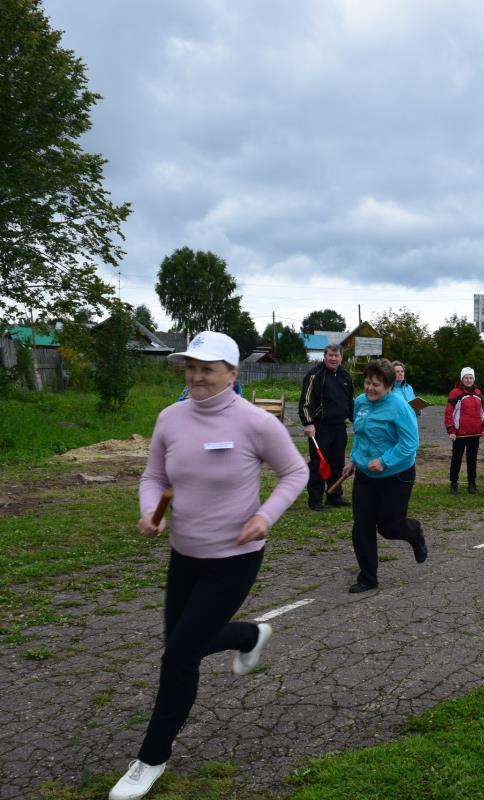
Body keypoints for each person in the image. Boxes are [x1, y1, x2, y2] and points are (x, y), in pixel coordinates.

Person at [109, 331, 306, 800]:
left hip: (234, 560)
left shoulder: (255, 423)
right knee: (183, 645)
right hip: (185, 555)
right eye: (190, 367)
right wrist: (148, 510)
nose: (196, 376)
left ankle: (151, 759)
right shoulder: (169, 419)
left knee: (178, 657)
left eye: (208, 368)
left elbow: (295, 472)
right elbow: (153, 475)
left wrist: (264, 515)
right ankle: (247, 634)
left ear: (232, 374)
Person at [341, 358, 428, 593]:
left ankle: (414, 533)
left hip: (397, 474)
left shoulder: (400, 407)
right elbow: (360, 435)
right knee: (362, 526)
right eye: (367, 382)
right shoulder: (360, 403)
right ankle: (368, 578)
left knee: (389, 527)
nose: (370, 388)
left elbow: (411, 443)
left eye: (376, 385)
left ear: (389, 386)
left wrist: (385, 460)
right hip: (366, 474)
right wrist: (353, 460)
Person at [299, 344, 354, 510]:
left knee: (337, 462)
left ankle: (334, 496)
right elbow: (305, 402)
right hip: (320, 427)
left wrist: (357, 421)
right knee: (319, 463)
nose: (333, 358)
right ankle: (315, 499)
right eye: (330, 355)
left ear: (341, 358)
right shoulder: (314, 375)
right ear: (325, 356)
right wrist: (308, 423)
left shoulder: (345, 376)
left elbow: (350, 401)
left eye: (336, 356)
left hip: (339, 427)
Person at [444, 367, 484, 495]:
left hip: (474, 433)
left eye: (471, 378)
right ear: (462, 379)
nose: (468, 380)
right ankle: (454, 484)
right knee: (456, 459)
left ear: (473, 379)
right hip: (459, 434)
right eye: (466, 378)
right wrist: (451, 430)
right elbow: (449, 413)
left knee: (472, 459)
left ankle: (472, 485)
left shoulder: (478, 392)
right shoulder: (455, 393)